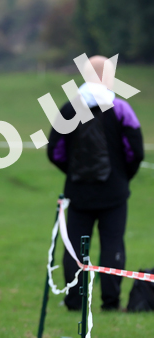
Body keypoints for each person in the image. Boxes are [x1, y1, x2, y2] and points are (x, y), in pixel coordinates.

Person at [47, 55, 144, 311]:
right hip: (114, 191)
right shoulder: (121, 109)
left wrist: (73, 172)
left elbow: (55, 151)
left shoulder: (69, 108)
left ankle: (74, 301)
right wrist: (123, 175)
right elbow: (136, 152)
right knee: (112, 242)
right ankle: (110, 303)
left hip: (79, 191)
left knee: (75, 246)